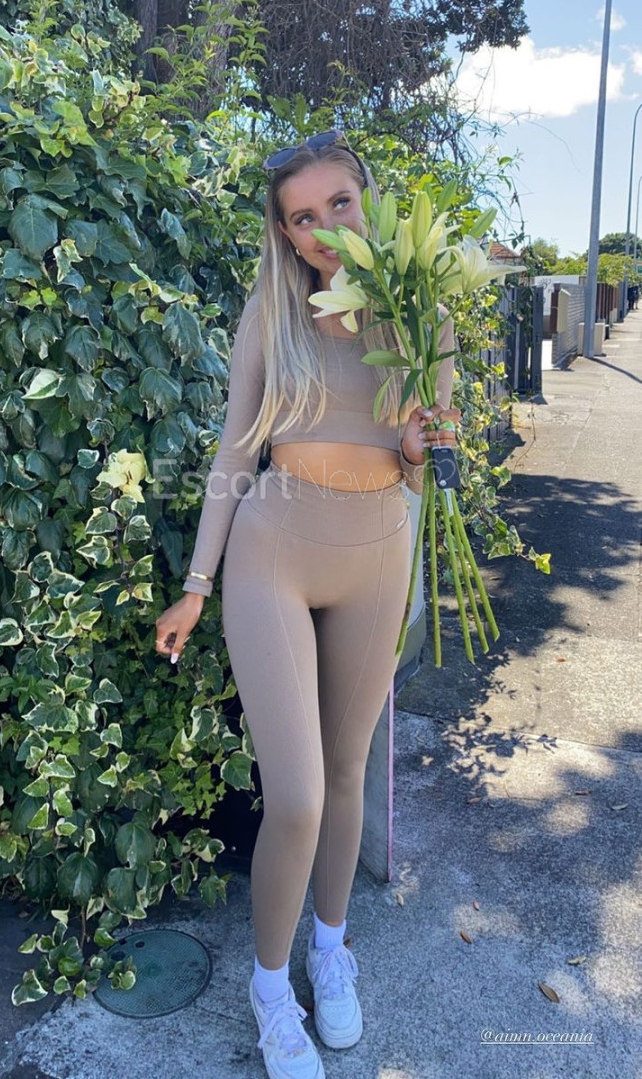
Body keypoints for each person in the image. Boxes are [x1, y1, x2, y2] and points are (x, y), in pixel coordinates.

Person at [155, 130, 462, 1079]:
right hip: (274, 551)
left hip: (377, 551)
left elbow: (425, 465)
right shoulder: (271, 313)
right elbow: (233, 452)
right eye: (302, 217)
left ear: (367, 202)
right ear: (284, 234)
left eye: (339, 204)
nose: (325, 228)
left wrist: (419, 448)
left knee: (345, 772)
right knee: (293, 795)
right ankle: (267, 986)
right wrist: (197, 584)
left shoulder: (420, 313)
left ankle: (331, 950)